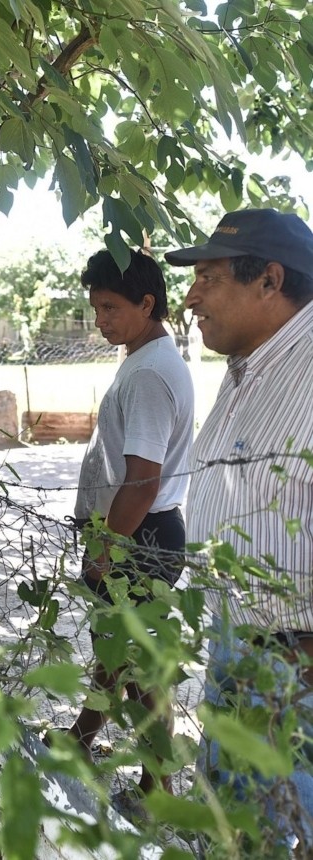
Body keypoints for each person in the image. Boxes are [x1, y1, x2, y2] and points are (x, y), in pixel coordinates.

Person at [165, 208, 313, 847]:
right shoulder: (245, 370)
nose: (191, 297)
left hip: (298, 670)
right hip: (235, 647)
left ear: (269, 281)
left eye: (208, 277)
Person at [65, 249, 194, 800]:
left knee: (140, 670)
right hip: (134, 532)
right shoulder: (147, 358)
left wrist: (106, 550)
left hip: (139, 537)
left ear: (147, 304)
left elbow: (142, 480)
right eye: (96, 308)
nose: (101, 320)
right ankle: (81, 737)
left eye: (111, 307)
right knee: (116, 649)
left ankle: (157, 786)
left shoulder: (148, 375)